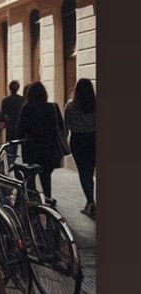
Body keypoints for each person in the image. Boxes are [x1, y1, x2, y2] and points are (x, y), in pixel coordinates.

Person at [17, 81, 65, 198]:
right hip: (48, 148)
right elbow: (61, 127)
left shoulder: (26, 109)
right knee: (46, 176)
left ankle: (33, 200)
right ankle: (48, 199)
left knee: (31, 176)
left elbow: (20, 131)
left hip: (31, 148)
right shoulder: (52, 107)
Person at [64, 78, 97, 217]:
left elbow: (66, 127)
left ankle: (90, 201)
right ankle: (90, 202)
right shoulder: (96, 105)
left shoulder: (71, 106)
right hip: (94, 139)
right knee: (90, 171)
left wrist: (64, 143)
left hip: (78, 141)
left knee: (84, 173)